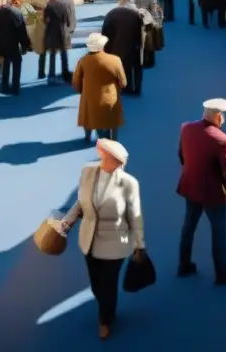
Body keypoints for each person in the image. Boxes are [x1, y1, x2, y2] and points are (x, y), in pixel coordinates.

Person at [60, 139, 145, 341]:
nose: (120, 165)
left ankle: (105, 320)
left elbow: (135, 215)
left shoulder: (128, 183)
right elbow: (81, 202)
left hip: (116, 241)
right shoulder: (88, 173)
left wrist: (139, 245)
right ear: (104, 156)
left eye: (121, 161)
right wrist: (67, 222)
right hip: (89, 239)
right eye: (116, 160)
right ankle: (107, 307)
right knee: (96, 283)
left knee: (108, 282)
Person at [177, 98, 226, 286]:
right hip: (213, 193)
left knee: (188, 226)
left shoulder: (186, 128)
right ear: (218, 116)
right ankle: (222, 274)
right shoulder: (222, 139)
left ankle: (184, 264)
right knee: (218, 232)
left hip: (190, 186)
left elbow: (181, 155)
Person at [73, 33, 127, 143]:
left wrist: (81, 91)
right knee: (113, 120)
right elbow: (123, 82)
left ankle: (88, 136)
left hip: (90, 98)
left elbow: (76, 82)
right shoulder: (115, 60)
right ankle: (114, 139)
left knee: (87, 115)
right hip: (110, 98)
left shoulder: (83, 61)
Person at [102, 0, 144, 95]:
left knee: (123, 66)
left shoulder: (111, 14)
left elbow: (105, 32)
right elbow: (142, 31)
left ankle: (125, 87)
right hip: (133, 45)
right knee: (136, 66)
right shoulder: (136, 13)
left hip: (116, 46)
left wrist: (106, 48)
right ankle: (137, 88)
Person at [0, 0, 31, 95]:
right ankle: (15, 87)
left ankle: (5, 86)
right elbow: (22, 32)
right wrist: (25, 45)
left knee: (5, 63)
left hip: (1, 44)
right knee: (17, 63)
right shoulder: (17, 13)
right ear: (14, 4)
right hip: (13, 44)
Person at [41, 0, 74, 83]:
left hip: (52, 31)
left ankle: (51, 76)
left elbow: (45, 20)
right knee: (64, 54)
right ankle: (65, 74)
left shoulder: (49, 5)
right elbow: (68, 20)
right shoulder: (64, 5)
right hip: (63, 31)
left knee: (52, 54)